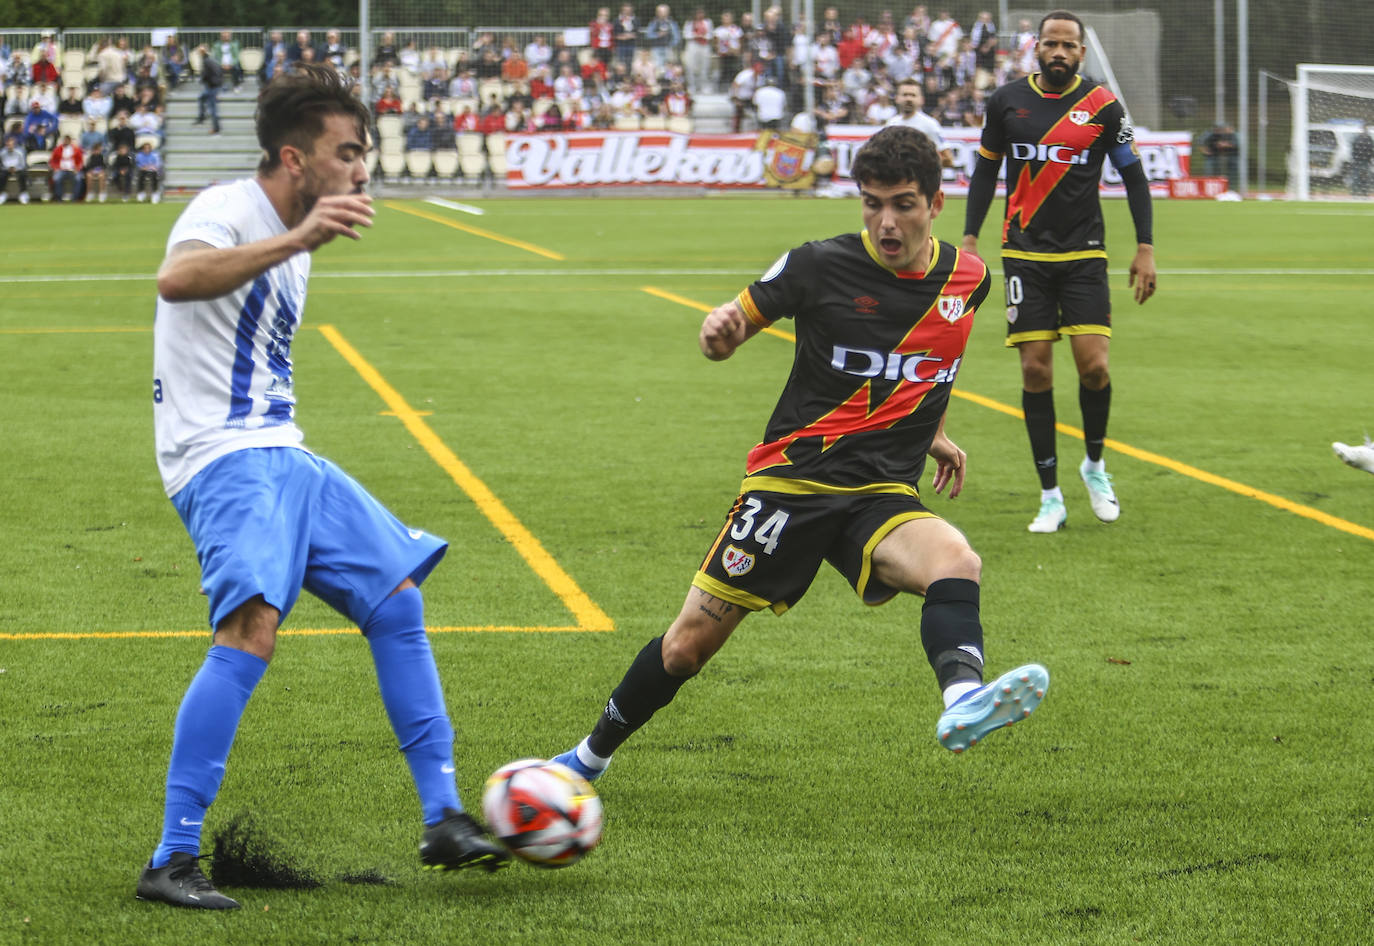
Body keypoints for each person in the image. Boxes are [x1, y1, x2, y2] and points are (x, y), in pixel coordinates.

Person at [550, 126, 1050, 790]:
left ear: (936, 202)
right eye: (871, 203)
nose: (886, 221)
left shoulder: (970, 279)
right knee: (686, 648)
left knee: (957, 560)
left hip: (879, 493)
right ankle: (587, 759)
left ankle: (962, 699)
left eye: (902, 203)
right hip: (791, 484)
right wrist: (719, 335)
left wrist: (933, 430)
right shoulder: (818, 265)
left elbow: (929, 363)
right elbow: (734, 325)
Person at [135, 62, 508, 913]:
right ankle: (173, 856)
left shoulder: (300, 233)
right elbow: (177, 279)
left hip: (282, 454)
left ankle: (444, 818)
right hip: (222, 459)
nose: (363, 168)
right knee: (251, 629)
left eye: (365, 151)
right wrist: (297, 240)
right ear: (295, 159)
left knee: (397, 597)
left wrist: (303, 241)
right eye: (348, 152)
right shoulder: (228, 210)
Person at [962, 10, 1156, 533]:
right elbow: (984, 171)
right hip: (1024, 254)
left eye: (1069, 46)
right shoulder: (1006, 102)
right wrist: (971, 238)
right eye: (1051, 43)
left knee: (1094, 367)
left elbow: (1135, 178)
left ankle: (1094, 465)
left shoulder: (1104, 106)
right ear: (1037, 47)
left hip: (1085, 255)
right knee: (1035, 371)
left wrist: (1145, 247)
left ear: (1081, 53)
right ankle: (1050, 496)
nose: (1059, 53)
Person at [887, 77, 954, 168]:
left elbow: (949, 160)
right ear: (897, 98)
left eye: (913, 95)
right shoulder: (891, 123)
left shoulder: (929, 124)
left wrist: (918, 163)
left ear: (921, 100)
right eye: (905, 95)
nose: (909, 99)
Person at [195, 47, 223, 135]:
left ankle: (216, 128)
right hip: (214, 85)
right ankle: (201, 117)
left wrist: (201, 80)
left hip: (212, 87)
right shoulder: (210, 60)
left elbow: (205, 74)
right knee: (201, 98)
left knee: (213, 108)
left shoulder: (206, 61)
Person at [50, 134, 84, 201]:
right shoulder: (57, 149)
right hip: (61, 170)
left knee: (78, 179)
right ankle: (59, 198)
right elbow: (52, 161)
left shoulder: (76, 149)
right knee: (56, 178)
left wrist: (77, 169)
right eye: (65, 139)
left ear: (70, 140)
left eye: (68, 139)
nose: (66, 141)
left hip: (72, 170)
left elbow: (80, 161)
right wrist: (55, 168)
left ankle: (75, 198)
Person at [0, 134, 29, 204]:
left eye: (11, 143)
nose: (10, 145)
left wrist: (16, 168)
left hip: (18, 168)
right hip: (6, 169)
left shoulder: (20, 151)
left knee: (23, 174)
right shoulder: (2, 152)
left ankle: (23, 193)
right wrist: (8, 169)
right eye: (8, 143)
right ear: (6, 144)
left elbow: (23, 164)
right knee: (2, 175)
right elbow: (2, 164)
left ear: (14, 144)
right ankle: (2, 194)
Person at [1349, 125, 1374, 197]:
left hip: (1358, 161)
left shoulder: (1357, 138)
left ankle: (1355, 192)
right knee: (1365, 177)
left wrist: (1354, 158)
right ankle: (1364, 192)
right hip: (1365, 161)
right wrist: (1370, 158)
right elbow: (1371, 150)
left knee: (1356, 177)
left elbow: (1353, 149)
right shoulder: (1368, 139)